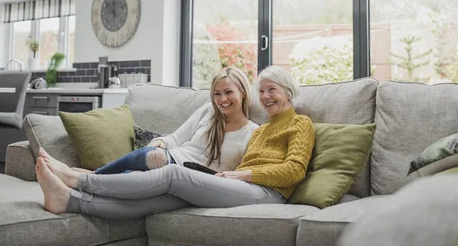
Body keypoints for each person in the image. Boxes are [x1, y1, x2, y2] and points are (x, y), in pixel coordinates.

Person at [36, 65, 316, 220]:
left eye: (273, 90)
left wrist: (243, 174)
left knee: (171, 173)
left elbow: (294, 171)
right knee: (161, 199)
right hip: (242, 185)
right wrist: (237, 175)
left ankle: (79, 181)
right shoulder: (262, 130)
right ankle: (70, 201)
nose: (266, 96)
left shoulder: (300, 124)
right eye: (263, 91)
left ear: (288, 92)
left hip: (268, 192)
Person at [82, 66, 258, 175]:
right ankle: (90, 178)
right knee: (139, 168)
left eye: (228, 92)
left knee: (147, 165)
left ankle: (90, 177)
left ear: (242, 92)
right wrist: (159, 142)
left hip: (198, 177)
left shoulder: (253, 132)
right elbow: (175, 138)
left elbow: (244, 171)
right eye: (217, 94)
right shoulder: (209, 110)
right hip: (174, 159)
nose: (222, 99)